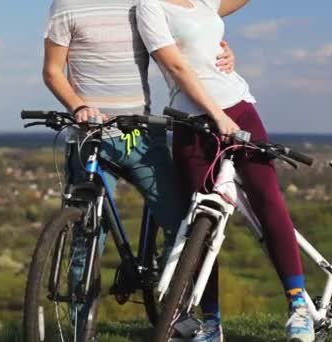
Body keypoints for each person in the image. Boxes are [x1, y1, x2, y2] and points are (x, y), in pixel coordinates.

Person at [42, 0, 236, 337]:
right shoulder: (67, 5)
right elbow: (53, 71)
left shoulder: (146, 3)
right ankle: (78, 331)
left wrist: (221, 49)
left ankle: (178, 313)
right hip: (91, 138)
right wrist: (78, 106)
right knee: (86, 241)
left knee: (180, 225)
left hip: (143, 136)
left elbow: (196, 24)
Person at [136, 1, 314, 341]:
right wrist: (216, 115)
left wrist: (227, 57)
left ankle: (298, 306)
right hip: (194, 122)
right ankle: (211, 321)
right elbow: (174, 65)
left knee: (267, 200)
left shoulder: (204, 1)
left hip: (240, 110)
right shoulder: (150, 6)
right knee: (200, 222)